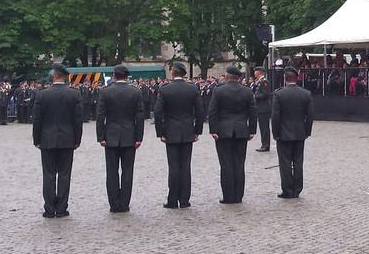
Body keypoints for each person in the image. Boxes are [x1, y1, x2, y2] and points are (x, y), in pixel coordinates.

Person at [31, 64, 83, 218]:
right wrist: (77, 139)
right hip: (67, 139)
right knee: (65, 175)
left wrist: (37, 139)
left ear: (53, 76)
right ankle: (61, 208)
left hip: (47, 139)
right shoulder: (74, 94)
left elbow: (37, 120)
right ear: (64, 77)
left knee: (48, 174)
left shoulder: (42, 95)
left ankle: (49, 208)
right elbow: (78, 120)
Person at [154, 62, 206, 209]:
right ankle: (184, 200)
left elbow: (158, 113)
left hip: (171, 131)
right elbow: (200, 111)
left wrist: (161, 132)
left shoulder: (165, 89)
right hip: (188, 131)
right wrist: (197, 131)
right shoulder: (192, 88)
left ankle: (172, 199)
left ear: (172, 73)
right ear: (183, 74)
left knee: (174, 167)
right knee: (185, 166)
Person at [97, 66, 145, 213]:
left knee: (111, 172)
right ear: (127, 76)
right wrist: (139, 137)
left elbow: (100, 116)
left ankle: (114, 204)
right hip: (129, 135)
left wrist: (101, 136)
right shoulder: (135, 91)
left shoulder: (105, 91)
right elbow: (140, 116)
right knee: (127, 172)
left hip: (110, 136)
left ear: (114, 76)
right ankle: (124, 204)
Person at [207, 65, 257, 205]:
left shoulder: (218, 91)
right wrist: (252, 130)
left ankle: (228, 196)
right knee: (239, 164)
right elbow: (253, 112)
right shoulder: (247, 92)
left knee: (226, 164)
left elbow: (213, 112)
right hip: (241, 130)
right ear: (238, 78)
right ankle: (238, 196)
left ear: (227, 76)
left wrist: (213, 130)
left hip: (223, 131)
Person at [271, 67, 314, 199]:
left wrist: (275, 133)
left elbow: (275, 116)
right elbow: (310, 116)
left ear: (285, 78)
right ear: (297, 79)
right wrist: (307, 131)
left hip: (283, 134)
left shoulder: (279, 94)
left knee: (285, 163)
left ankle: (287, 190)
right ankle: (297, 189)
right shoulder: (306, 94)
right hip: (300, 133)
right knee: (298, 162)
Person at [252, 67, 272, 152]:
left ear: (259, 72)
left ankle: (265, 145)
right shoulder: (259, 81)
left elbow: (266, 94)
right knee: (262, 127)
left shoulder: (264, 81)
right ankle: (264, 143)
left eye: (255, 71)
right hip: (260, 107)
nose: (254, 73)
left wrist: (255, 96)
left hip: (264, 108)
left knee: (264, 127)